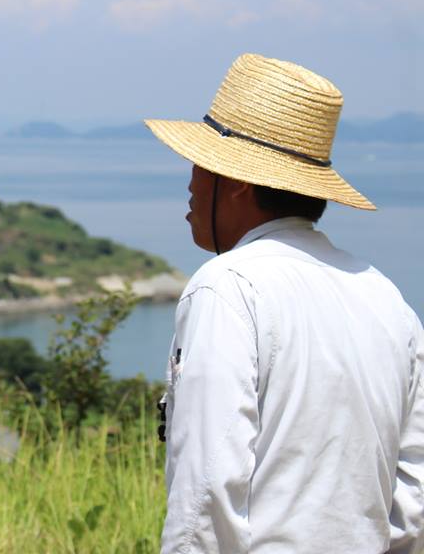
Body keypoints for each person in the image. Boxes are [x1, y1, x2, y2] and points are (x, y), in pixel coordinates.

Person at [144, 53, 424, 553]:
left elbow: (206, 491)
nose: (189, 181)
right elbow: (411, 493)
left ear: (237, 181)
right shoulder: (385, 297)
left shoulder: (228, 286)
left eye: (201, 162)